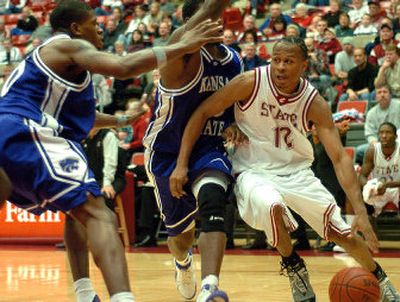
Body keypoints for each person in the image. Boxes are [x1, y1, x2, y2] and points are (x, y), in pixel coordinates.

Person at [0, 0, 225, 301]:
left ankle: (84, 293)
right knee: (100, 215)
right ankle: (122, 298)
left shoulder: (51, 66)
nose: (101, 29)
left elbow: (83, 117)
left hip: (12, 131)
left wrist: (120, 120)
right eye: (94, 24)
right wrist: (181, 46)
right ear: (76, 28)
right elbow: (123, 67)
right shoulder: (66, 46)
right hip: (20, 129)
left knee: (76, 209)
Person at [170, 36, 400, 302]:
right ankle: (294, 266)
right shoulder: (251, 82)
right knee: (271, 205)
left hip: (297, 172)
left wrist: (360, 211)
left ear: (303, 65)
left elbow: (339, 157)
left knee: (342, 234)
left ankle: (381, 279)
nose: (280, 67)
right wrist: (183, 161)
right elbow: (202, 112)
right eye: (276, 60)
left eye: (288, 61)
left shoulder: (314, 102)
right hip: (253, 171)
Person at [142, 0, 243, 301]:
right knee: (180, 237)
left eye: (220, 17)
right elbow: (179, 39)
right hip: (167, 153)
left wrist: (235, 124)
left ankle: (210, 286)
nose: (218, 23)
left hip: (208, 148)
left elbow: (235, 105)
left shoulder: (233, 61)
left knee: (214, 201)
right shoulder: (177, 59)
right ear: (190, 25)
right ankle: (183, 262)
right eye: (211, 18)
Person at [360, 122, 400, 216]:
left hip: (397, 188)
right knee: (363, 203)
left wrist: (387, 185)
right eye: (381, 133)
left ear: (395, 136)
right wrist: (371, 187)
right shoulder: (372, 151)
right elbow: (362, 176)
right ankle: (371, 230)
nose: (384, 136)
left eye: (388, 132)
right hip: (379, 189)